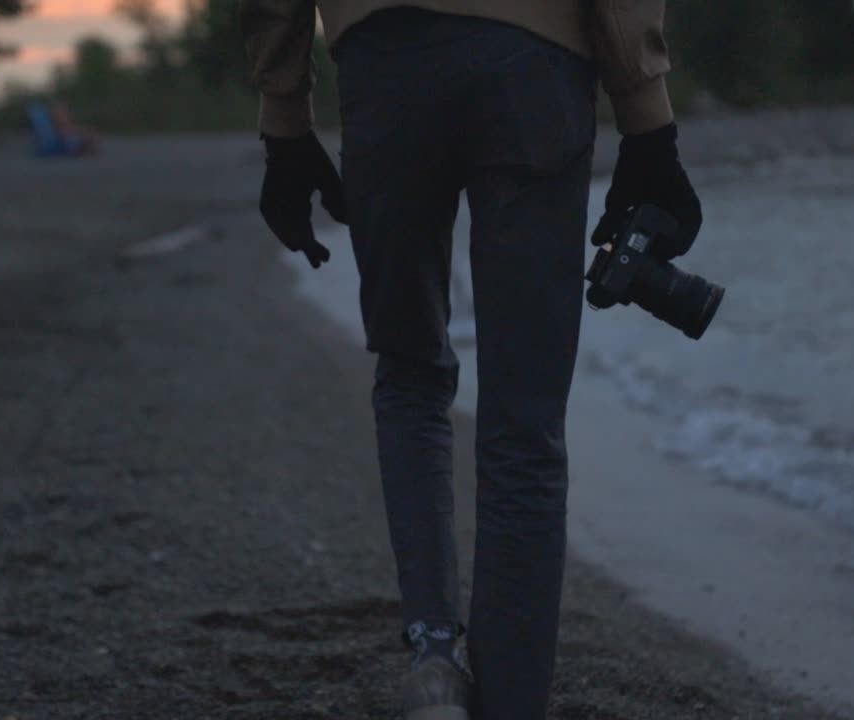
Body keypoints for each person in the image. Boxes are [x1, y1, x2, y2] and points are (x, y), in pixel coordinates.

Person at [240, 2, 703, 718]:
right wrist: (648, 120)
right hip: (534, 58)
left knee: (410, 369)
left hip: (382, 56)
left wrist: (284, 122)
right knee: (526, 423)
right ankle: (513, 704)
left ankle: (434, 659)